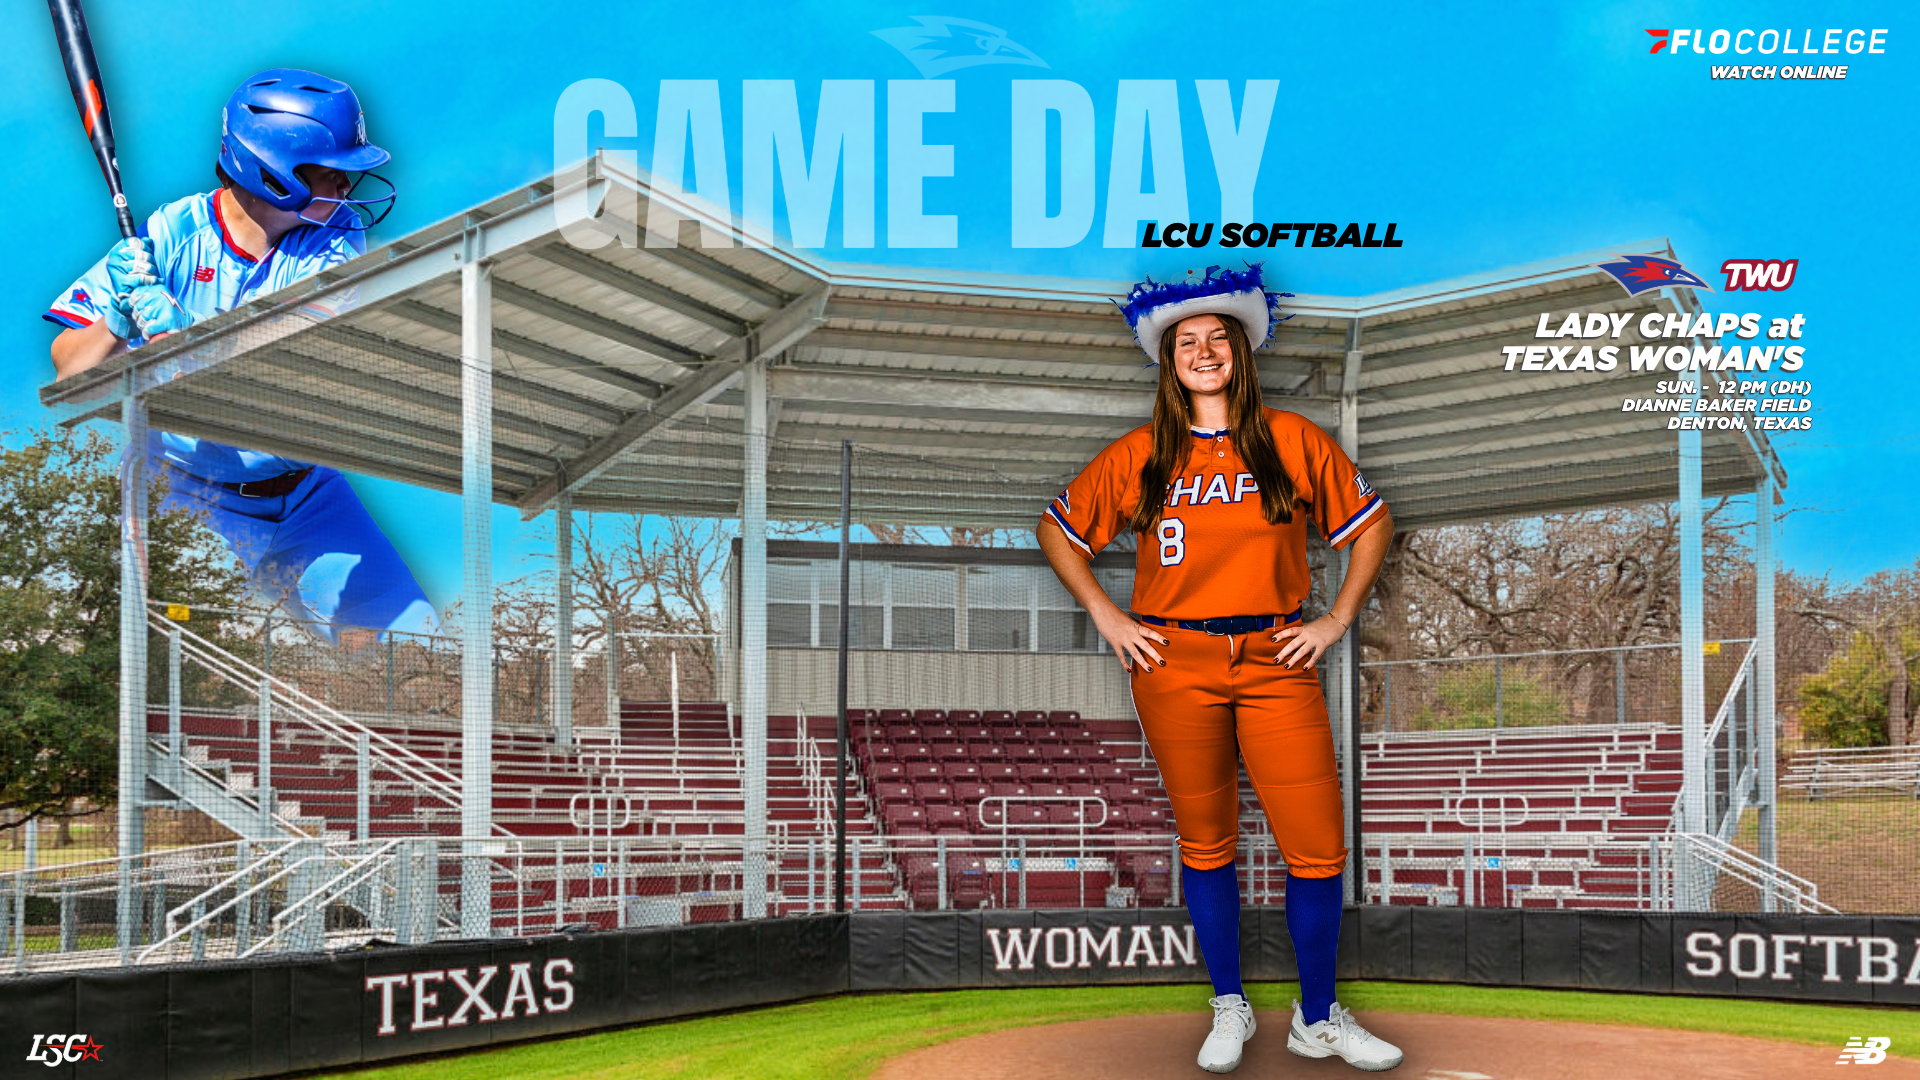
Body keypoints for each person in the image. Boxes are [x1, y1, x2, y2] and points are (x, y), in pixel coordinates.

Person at [1038, 265, 1401, 1073]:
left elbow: (1371, 524)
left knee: (1317, 847)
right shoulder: (1140, 455)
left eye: (1216, 339)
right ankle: (1229, 1004)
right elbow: (1059, 529)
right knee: (1206, 842)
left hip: (1277, 657)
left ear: (1240, 350)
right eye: (1186, 343)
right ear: (1168, 362)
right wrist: (1107, 613)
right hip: (1173, 659)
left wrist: (1336, 619)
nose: (1203, 352)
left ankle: (1316, 1016)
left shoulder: (1294, 439)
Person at [45, 68, 437, 646]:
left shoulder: (335, 236)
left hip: (309, 492)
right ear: (273, 170)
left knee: (419, 649)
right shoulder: (171, 234)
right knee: (198, 662)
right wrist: (117, 323)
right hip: (187, 497)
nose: (347, 189)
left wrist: (191, 337)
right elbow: (70, 369)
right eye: (331, 174)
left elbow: (296, 346)